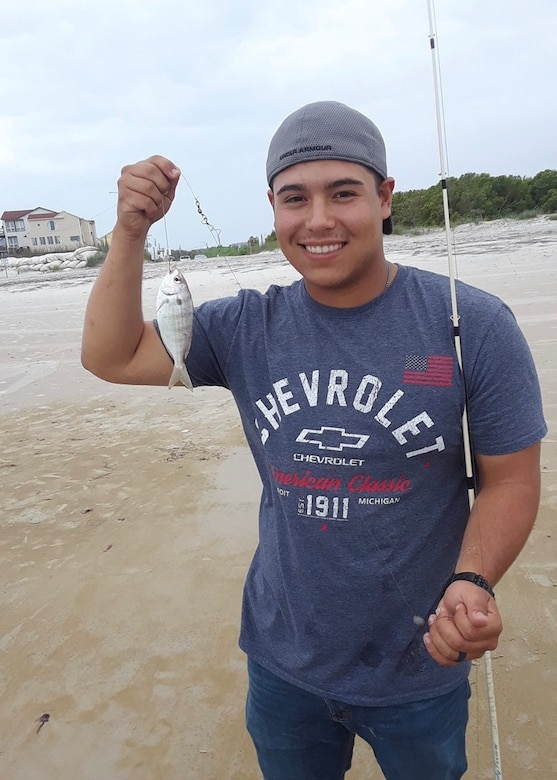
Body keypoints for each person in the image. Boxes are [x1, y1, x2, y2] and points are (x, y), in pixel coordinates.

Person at [81, 101, 547, 780]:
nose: (319, 219)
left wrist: (472, 581)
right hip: (282, 662)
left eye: (344, 193)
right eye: (295, 198)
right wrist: (128, 232)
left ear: (385, 199)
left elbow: (509, 478)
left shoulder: (469, 324)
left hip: (420, 662)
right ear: (272, 207)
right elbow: (110, 356)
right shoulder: (244, 327)